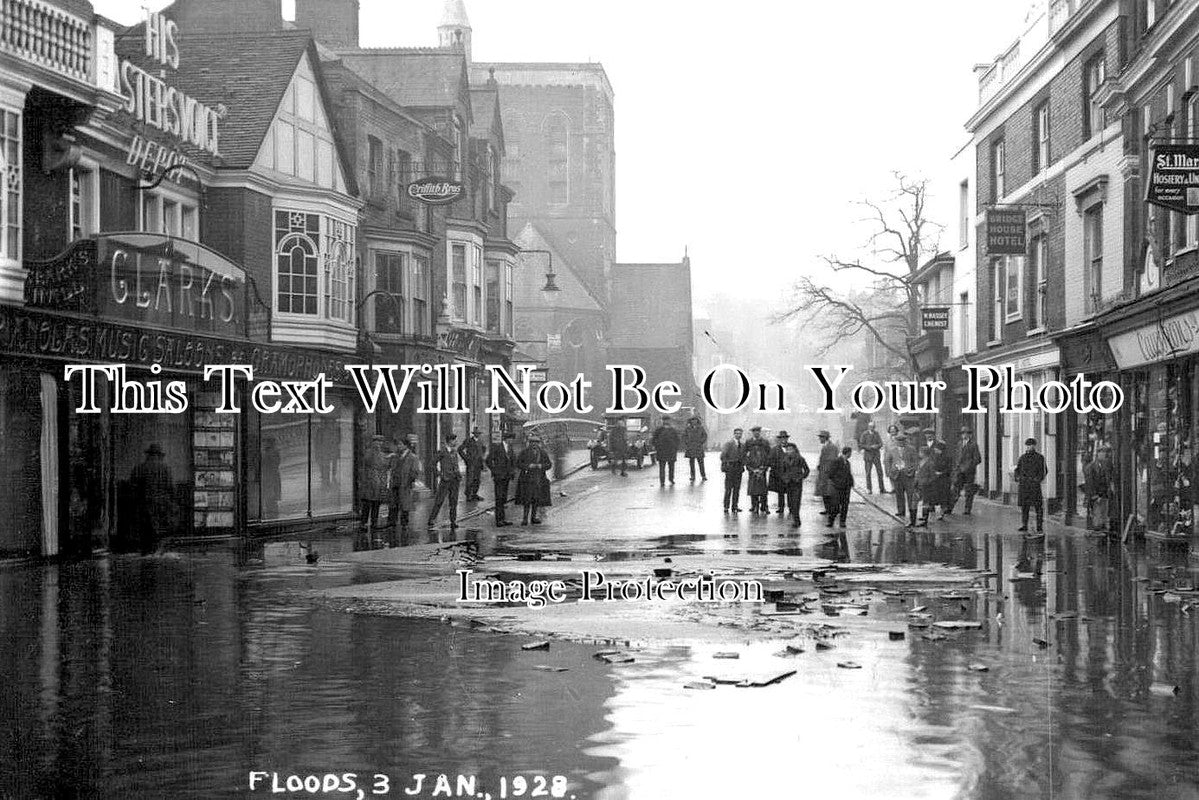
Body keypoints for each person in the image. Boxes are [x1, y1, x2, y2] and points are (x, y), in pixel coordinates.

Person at [131, 443, 175, 553]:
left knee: (146, 531)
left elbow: (133, 487)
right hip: (162, 505)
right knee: (160, 531)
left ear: (149, 455)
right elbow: (172, 488)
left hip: (145, 504)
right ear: (159, 455)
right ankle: (157, 553)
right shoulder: (166, 469)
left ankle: (146, 553)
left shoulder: (140, 468)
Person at [386, 436, 421, 546]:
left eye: (401, 444)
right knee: (393, 504)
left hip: (404, 485)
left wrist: (410, 481)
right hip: (395, 484)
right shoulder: (396, 456)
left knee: (404, 505)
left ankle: (404, 524)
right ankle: (391, 523)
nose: (399, 446)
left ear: (406, 445)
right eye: (398, 445)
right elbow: (390, 467)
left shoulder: (412, 457)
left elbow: (415, 471)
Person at [427, 432, 462, 530]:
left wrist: (458, 474)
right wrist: (439, 474)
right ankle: (432, 519)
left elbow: (456, 465)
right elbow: (432, 463)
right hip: (445, 479)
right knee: (439, 500)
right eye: (454, 440)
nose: (456, 442)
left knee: (454, 501)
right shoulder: (442, 451)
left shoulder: (454, 452)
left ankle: (453, 521)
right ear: (450, 441)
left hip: (455, 480)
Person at [515, 435, 553, 525]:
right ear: (529, 443)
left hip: (539, 479)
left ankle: (533, 517)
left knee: (536, 499)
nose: (534, 444)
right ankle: (525, 518)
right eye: (532, 442)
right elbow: (518, 463)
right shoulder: (524, 452)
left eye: (536, 443)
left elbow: (549, 464)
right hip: (527, 479)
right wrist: (528, 466)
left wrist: (541, 466)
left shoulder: (543, 453)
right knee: (527, 499)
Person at [359, 435, 391, 540]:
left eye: (381, 442)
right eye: (377, 442)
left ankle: (374, 522)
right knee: (368, 504)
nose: (379, 444)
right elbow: (373, 462)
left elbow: (384, 465)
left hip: (378, 482)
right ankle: (364, 523)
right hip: (370, 482)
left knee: (376, 504)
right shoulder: (370, 453)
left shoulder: (381, 454)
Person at [886, 431, 920, 527]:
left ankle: (911, 511)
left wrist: (912, 469)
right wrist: (889, 472)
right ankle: (901, 511)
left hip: (908, 475)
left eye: (902, 441)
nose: (900, 443)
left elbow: (916, 461)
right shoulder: (892, 449)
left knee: (910, 493)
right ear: (896, 441)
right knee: (899, 493)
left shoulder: (911, 449)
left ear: (905, 441)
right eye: (898, 441)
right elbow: (887, 461)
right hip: (896, 474)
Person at [773, 438, 810, 528]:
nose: (788, 451)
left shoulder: (800, 459)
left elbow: (806, 470)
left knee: (796, 501)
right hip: (788, 483)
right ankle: (795, 518)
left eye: (790, 449)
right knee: (791, 502)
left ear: (794, 450)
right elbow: (781, 471)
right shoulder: (784, 459)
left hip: (797, 483)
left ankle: (797, 520)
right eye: (787, 449)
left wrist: (800, 477)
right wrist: (784, 478)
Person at [1015, 437, 1048, 533]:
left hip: (1034, 486)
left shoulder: (1040, 458)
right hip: (1024, 486)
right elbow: (1017, 470)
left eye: (1032, 445)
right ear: (1026, 446)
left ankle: (1039, 525)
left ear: (1034, 446)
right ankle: (1024, 524)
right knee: (1025, 507)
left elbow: (1044, 471)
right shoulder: (1022, 458)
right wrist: (1018, 478)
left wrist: (1038, 479)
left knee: (1038, 506)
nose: (1030, 447)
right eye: (1028, 446)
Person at [485, 430, 518, 528]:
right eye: (511, 439)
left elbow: (513, 461)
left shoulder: (510, 448)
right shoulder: (497, 447)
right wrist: (494, 470)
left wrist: (512, 470)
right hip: (499, 476)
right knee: (499, 498)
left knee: (503, 498)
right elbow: (488, 460)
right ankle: (498, 520)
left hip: (507, 476)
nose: (512, 441)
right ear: (506, 439)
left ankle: (503, 519)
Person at [949, 426, 982, 515]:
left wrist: (969, 466)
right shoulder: (959, 444)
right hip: (959, 471)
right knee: (955, 489)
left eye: (967, 433)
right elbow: (957, 457)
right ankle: (950, 508)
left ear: (970, 435)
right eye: (963, 433)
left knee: (969, 491)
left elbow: (978, 459)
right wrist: (956, 467)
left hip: (969, 472)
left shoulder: (973, 445)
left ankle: (967, 509)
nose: (964, 435)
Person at [918, 441, 953, 525]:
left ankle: (942, 513)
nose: (935, 450)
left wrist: (942, 473)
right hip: (935, 480)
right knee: (935, 497)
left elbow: (950, 468)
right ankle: (928, 512)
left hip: (944, 480)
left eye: (937, 449)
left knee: (943, 497)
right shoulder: (934, 457)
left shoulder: (948, 457)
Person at [1083, 444, 1114, 533]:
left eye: (1106, 453)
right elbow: (1090, 483)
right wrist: (1095, 496)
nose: (1105, 455)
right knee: (1098, 516)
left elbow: (1108, 480)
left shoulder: (1106, 465)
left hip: (1104, 495)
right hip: (1097, 496)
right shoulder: (1092, 466)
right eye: (1103, 453)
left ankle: (1102, 532)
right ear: (1098, 454)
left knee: (1103, 515)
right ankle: (1097, 532)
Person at [744, 425, 772, 514]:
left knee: (763, 488)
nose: (756, 433)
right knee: (753, 488)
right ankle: (754, 505)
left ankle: (764, 506)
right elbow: (744, 455)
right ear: (752, 432)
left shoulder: (765, 442)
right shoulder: (748, 442)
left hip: (762, 468)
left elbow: (769, 455)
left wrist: (764, 467)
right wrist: (750, 468)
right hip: (752, 469)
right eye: (754, 431)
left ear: (760, 432)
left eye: (758, 431)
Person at [826, 446, 855, 528]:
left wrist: (851, 482)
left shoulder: (848, 463)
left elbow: (849, 474)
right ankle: (831, 520)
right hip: (837, 487)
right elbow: (830, 474)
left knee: (845, 505)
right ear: (847, 453)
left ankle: (842, 521)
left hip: (846, 487)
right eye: (850, 453)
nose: (850, 455)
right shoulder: (837, 461)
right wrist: (837, 481)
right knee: (835, 505)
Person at [720, 427, 746, 513]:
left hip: (738, 468)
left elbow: (744, 456)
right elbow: (723, 455)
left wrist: (743, 464)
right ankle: (726, 506)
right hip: (730, 468)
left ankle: (735, 506)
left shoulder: (742, 445)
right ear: (734, 434)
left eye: (740, 434)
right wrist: (726, 465)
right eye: (737, 433)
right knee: (728, 488)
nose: (738, 435)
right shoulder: (729, 444)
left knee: (737, 488)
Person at [814, 430, 839, 516]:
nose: (819, 439)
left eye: (821, 437)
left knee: (829, 492)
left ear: (825, 438)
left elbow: (832, 460)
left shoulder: (831, 447)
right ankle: (827, 509)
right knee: (825, 491)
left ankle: (832, 509)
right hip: (824, 472)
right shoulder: (826, 446)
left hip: (828, 473)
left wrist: (826, 469)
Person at [458, 427, 486, 502]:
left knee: (477, 480)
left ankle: (474, 494)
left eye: (479, 433)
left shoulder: (481, 441)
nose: (478, 434)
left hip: (478, 464)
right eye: (476, 433)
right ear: (474, 434)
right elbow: (460, 449)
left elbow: (483, 449)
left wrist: (482, 457)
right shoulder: (468, 441)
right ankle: (468, 495)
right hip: (471, 463)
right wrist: (466, 458)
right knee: (470, 480)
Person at [652, 418, 681, 486]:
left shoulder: (672, 430)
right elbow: (654, 439)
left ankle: (671, 479)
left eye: (667, 420)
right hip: (662, 450)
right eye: (665, 420)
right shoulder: (659, 430)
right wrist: (657, 446)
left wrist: (675, 447)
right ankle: (662, 481)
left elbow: (677, 439)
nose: (666, 421)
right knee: (662, 467)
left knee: (671, 466)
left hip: (670, 450)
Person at [260, 438, 281, 519]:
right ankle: (272, 516)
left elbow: (274, 465)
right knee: (271, 500)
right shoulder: (272, 452)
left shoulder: (270, 453)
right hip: (270, 479)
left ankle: (272, 516)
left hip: (269, 480)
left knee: (270, 500)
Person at [683, 417, 708, 482]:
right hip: (691, 448)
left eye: (695, 420)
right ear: (690, 421)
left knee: (701, 463)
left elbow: (705, 436)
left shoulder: (701, 428)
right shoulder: (687, 429)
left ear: (697, 421)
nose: (694, 421)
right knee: (691, 463)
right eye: (692, 420)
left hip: (698, 447)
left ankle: (703, 476)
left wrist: (701, 442)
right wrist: (687, 442)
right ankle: (692, 476)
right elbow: (684, 436)